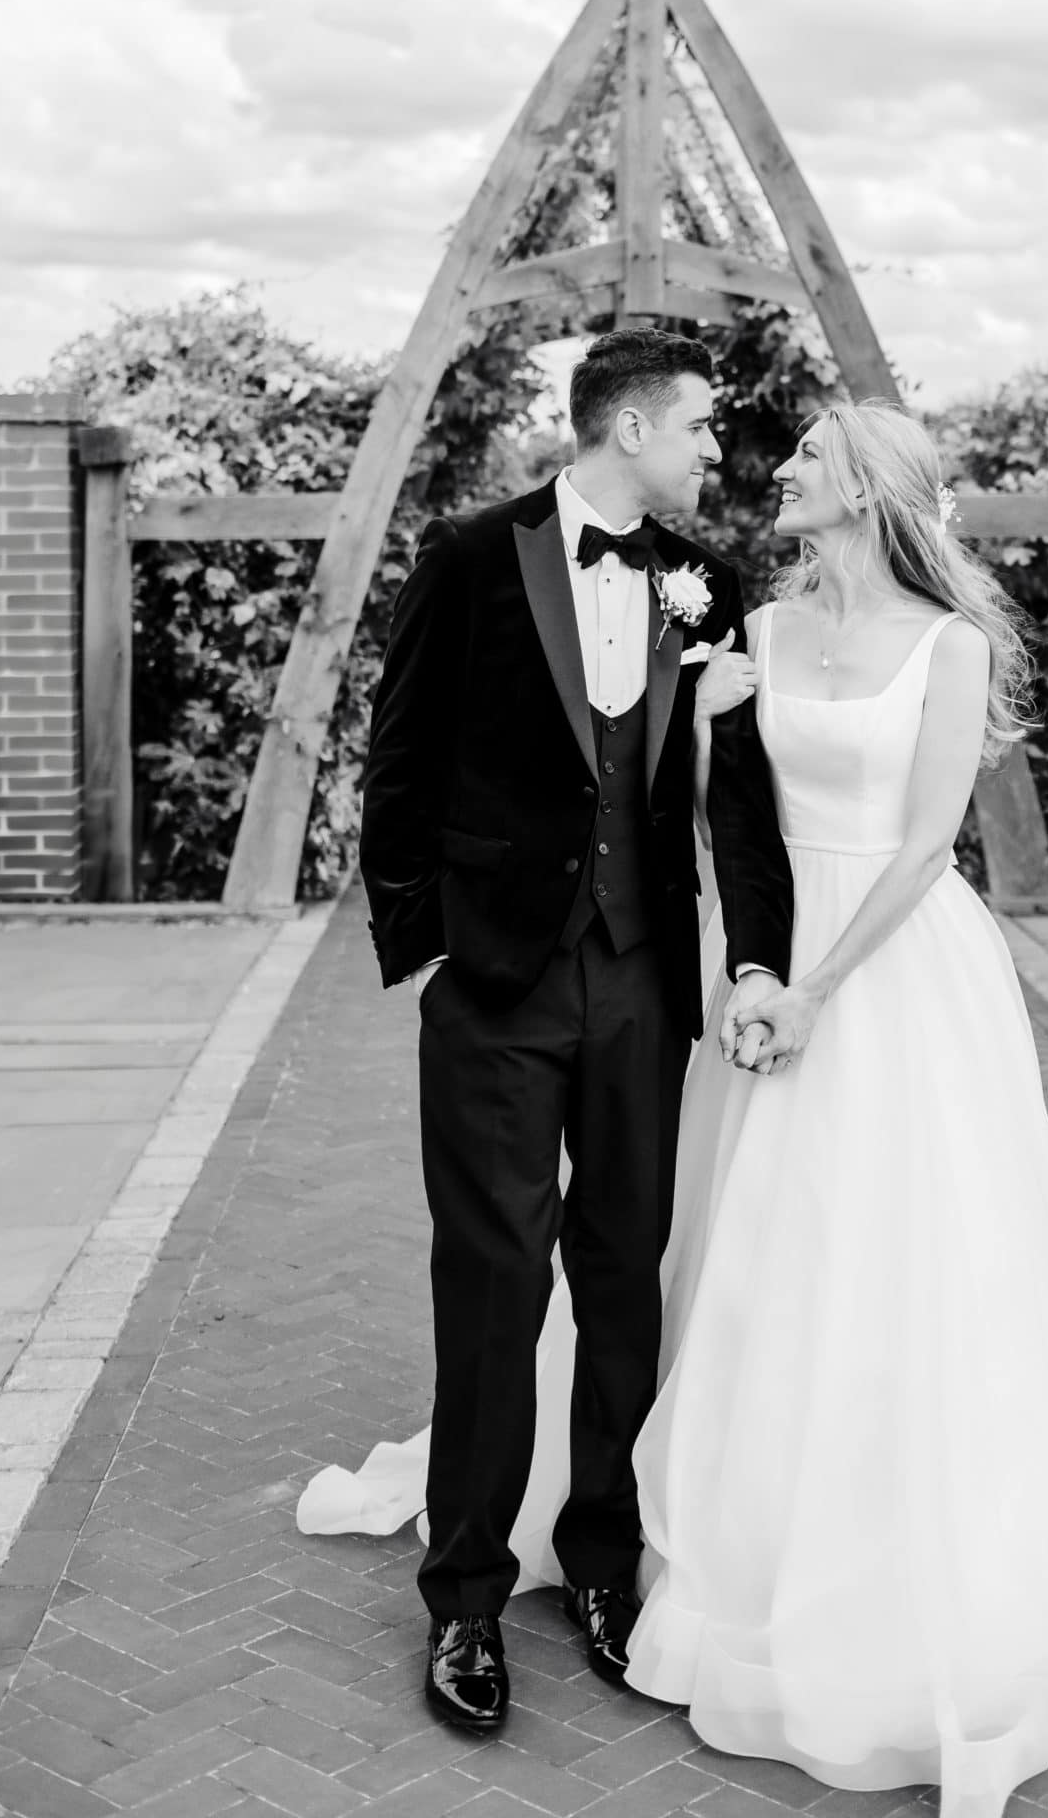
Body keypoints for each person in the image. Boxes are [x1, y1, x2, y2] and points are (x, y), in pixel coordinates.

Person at [622, 400, 1048, 1818]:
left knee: (920, 1244)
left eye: (805, 462)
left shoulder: (952, 646)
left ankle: (922, 1525)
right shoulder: (759, 637)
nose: (778, 473)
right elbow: (724, 818)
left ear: (868, 491)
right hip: (775, 961)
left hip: (897, 968)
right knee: (759, 1243)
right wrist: (749, 962)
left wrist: (819, 991)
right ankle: (756, 1519)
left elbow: (921, 847)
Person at [352, 327, 793, 1736]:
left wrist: (757, 961)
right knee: (492, 1278)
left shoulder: (710, 584)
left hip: (645, 980)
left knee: (624, 1272)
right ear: (628, 430)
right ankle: (467, 1598)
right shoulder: (474, 557)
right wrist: (429, 949)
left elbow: (734, 798)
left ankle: (607, 1563)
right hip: (498, 983)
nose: (715, 452)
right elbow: (401, 762)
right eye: (701, 428)